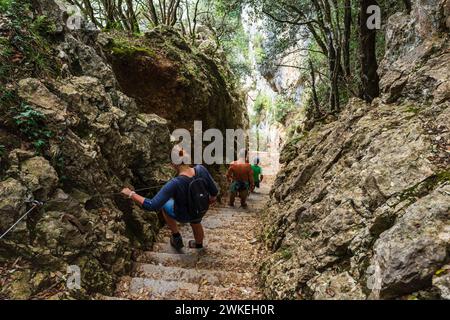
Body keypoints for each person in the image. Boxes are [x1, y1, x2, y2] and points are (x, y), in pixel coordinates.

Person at [121, 148, 218, 250]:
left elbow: (152, 205)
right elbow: (214, 193)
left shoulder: (175, 183)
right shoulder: (201, 169)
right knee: (196, 220)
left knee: (165, 204)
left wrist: (131, 194)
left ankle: (176, 237)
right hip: (201, 209)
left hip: (183, 215)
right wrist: (203, 203)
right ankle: (198, 245)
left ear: (173, 164)